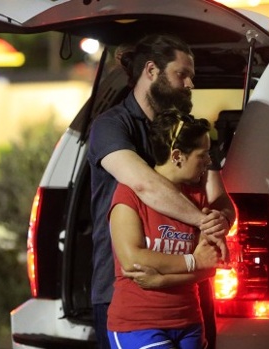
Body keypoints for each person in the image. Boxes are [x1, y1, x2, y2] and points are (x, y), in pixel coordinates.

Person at [87, 34, 235, 349]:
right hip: (126, 287)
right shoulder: (112, 126)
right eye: (182, 74)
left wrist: (220, 218)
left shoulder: (188, 133)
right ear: (152, 71)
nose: (189, 84)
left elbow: (221, 199)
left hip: (188, 296)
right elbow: (145, 185)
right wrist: (203, 222)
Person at [107, 110, 223, 349]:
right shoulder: (129, 194)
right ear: (177, 156)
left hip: (189, 321)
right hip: (138, 324)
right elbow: (133, 260)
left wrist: (161, 280)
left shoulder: (197, 196)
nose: (208, 161)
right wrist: (192, 261)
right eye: (203, 155)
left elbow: (209, 265)